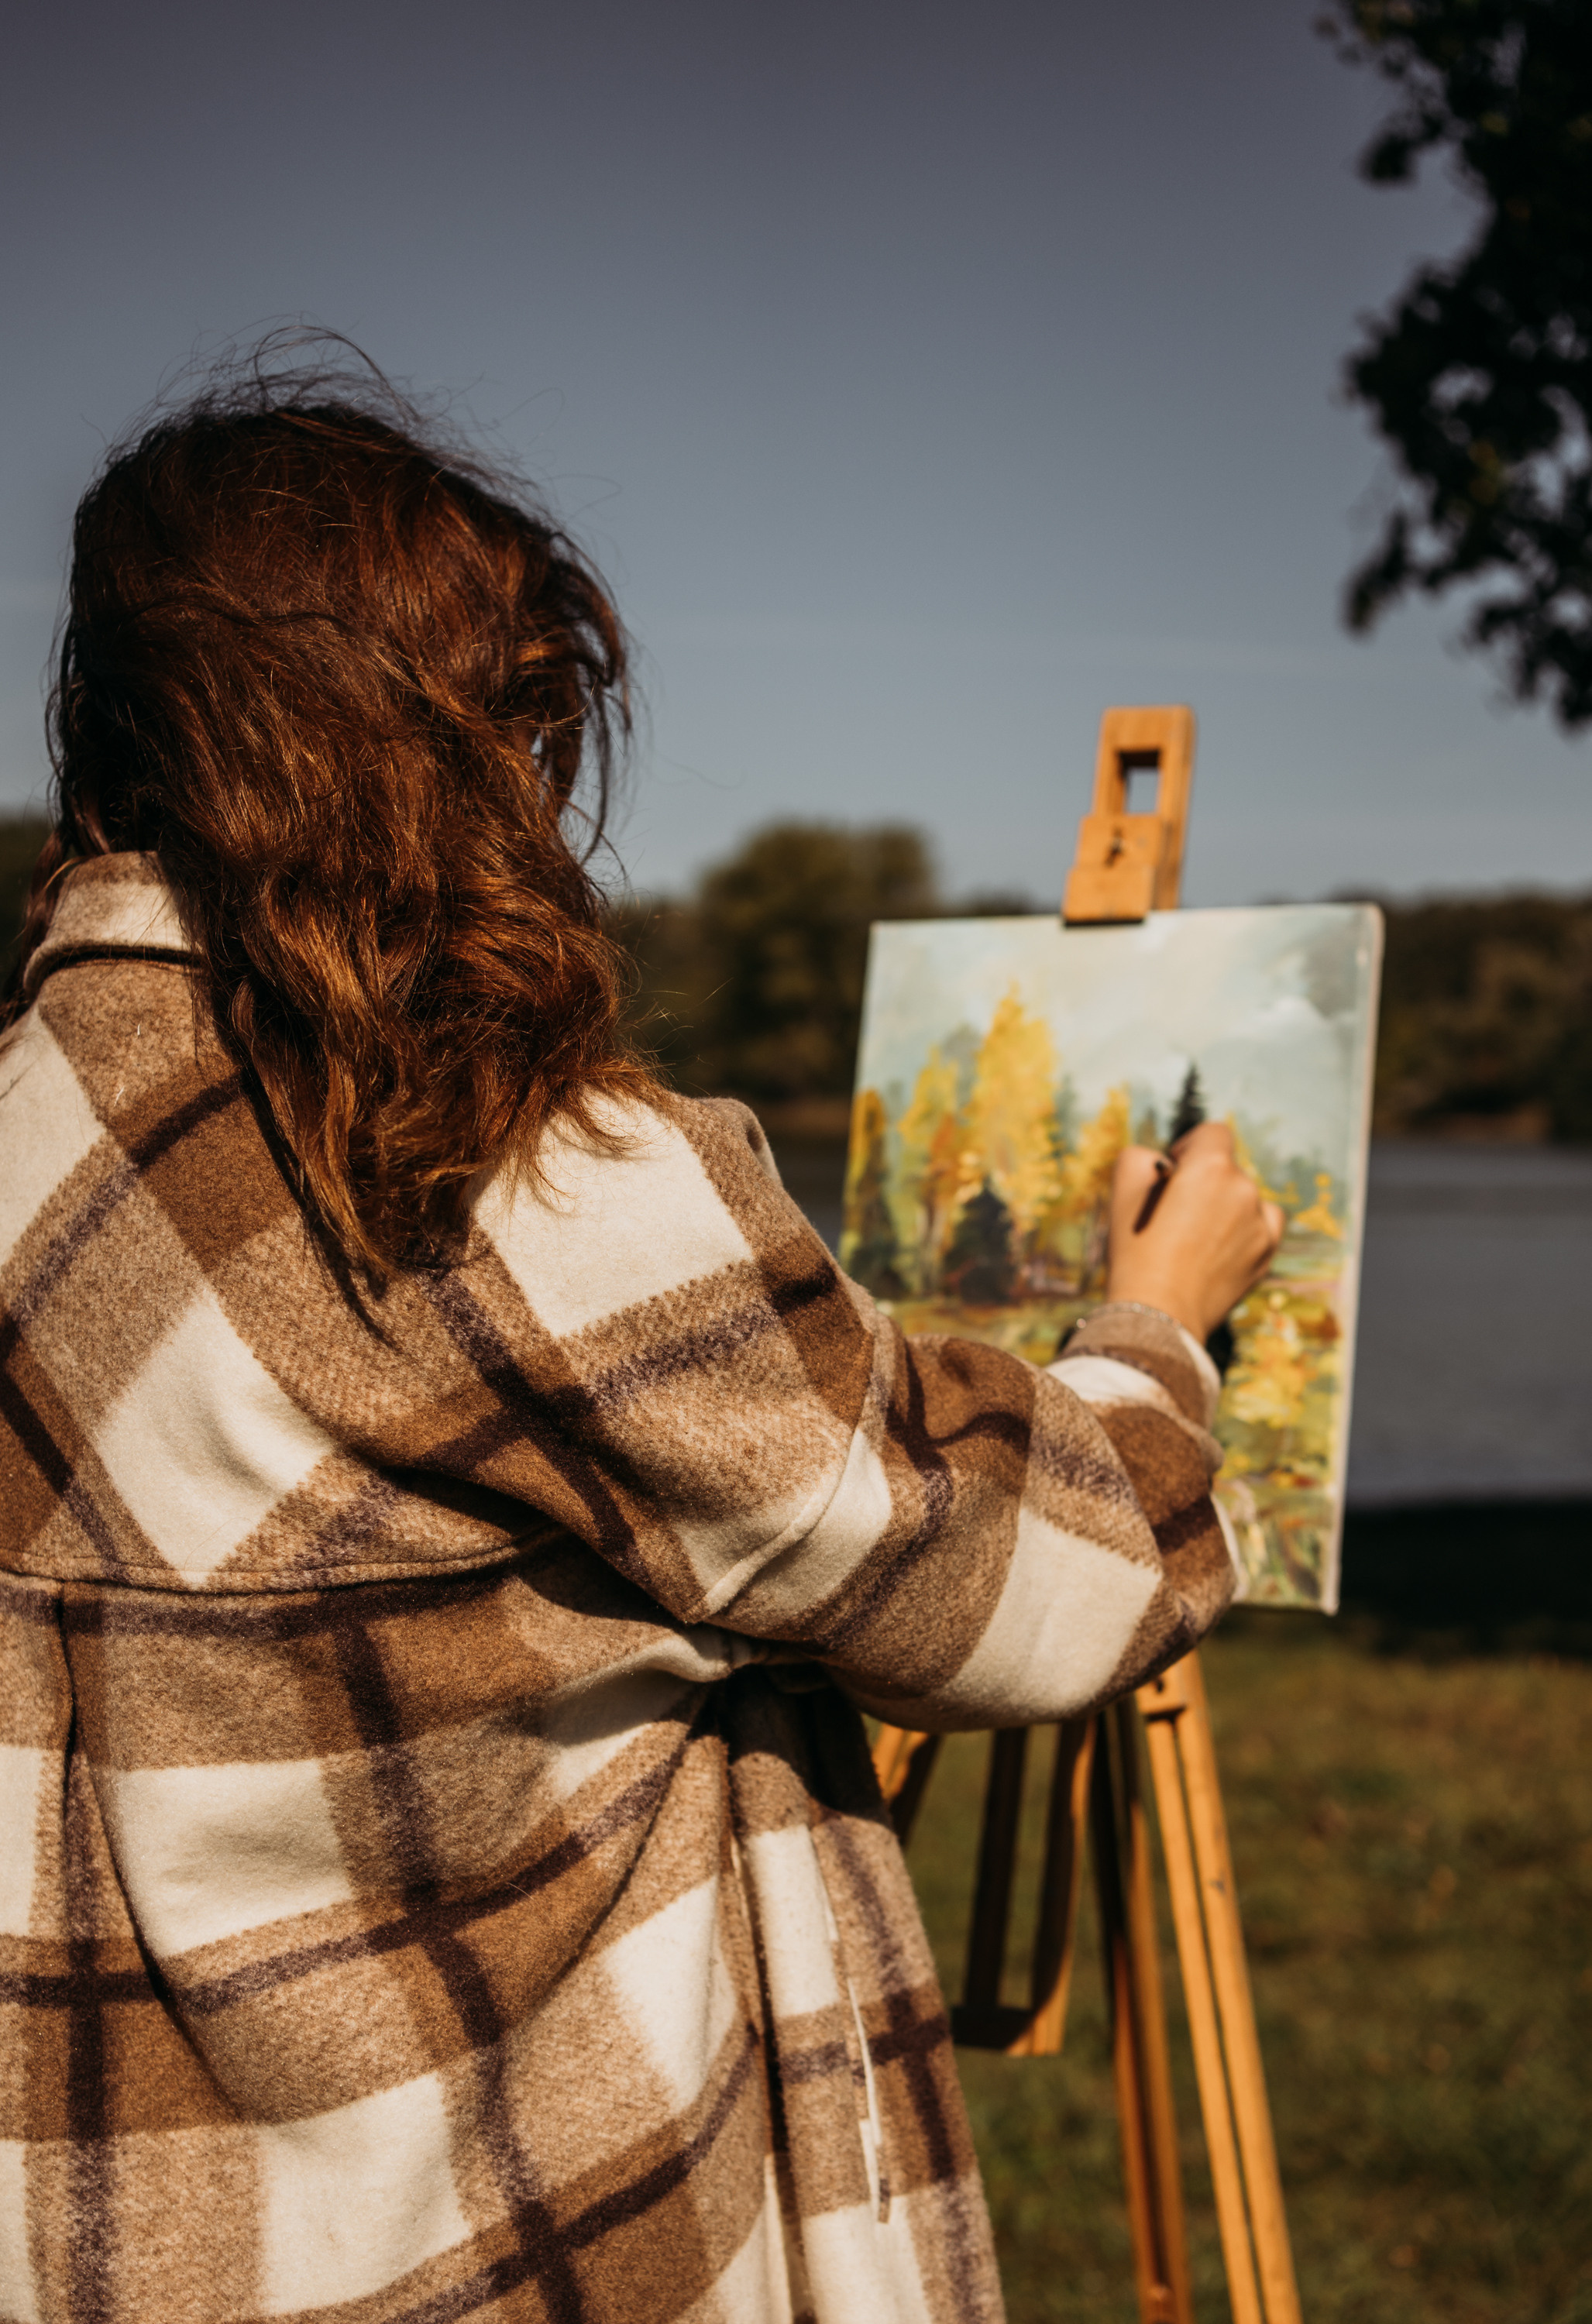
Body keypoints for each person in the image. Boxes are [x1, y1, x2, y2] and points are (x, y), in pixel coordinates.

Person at [0, 356, 1281, 2324]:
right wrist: (1157, 1333)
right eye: (513, 729)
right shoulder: (512, 1192)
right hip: (520, 2240)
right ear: (410, 747)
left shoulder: (24, 1131)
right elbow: (1007, 1584)